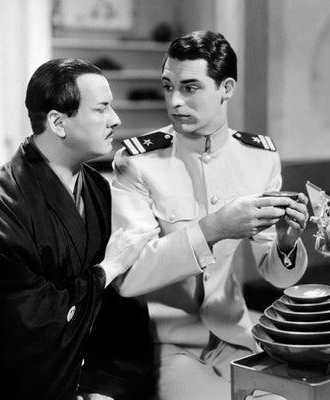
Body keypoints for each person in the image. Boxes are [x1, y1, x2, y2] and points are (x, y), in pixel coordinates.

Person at [111, 30, 310, 399]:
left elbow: (276, 274)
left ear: (226, 88)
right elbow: (128, 276)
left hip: (235, 336)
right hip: (163, 345)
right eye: (168, 87)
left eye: (190, 88)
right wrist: (213, 229)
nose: (174, 101)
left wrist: (285, 244)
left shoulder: (260, 157)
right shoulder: (137, 162)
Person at [0, 58, 158, 400]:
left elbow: (123, 315)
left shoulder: (98, 188)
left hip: (98, 383)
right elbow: (28, 322)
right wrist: (107, 270)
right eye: (101, 109)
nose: (115, 119)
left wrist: (103, 388)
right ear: (57, 122)